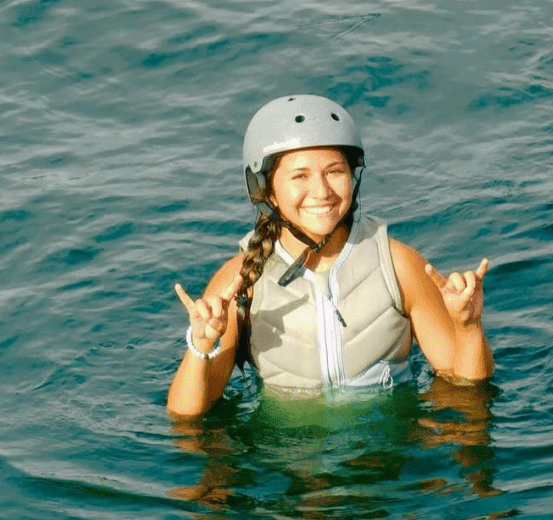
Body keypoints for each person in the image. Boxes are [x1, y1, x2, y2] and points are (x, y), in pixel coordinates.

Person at [167, 94, 494, 418]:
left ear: (353, 177)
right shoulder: (238, 281)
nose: (322, 191)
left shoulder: (398, 264)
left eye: (335, 171)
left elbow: (466, 388)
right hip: (288, 463)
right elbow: (187, 416)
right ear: (267, 191)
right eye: (300, 176)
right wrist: (201, 344)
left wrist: (468, 327)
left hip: (389, 456)